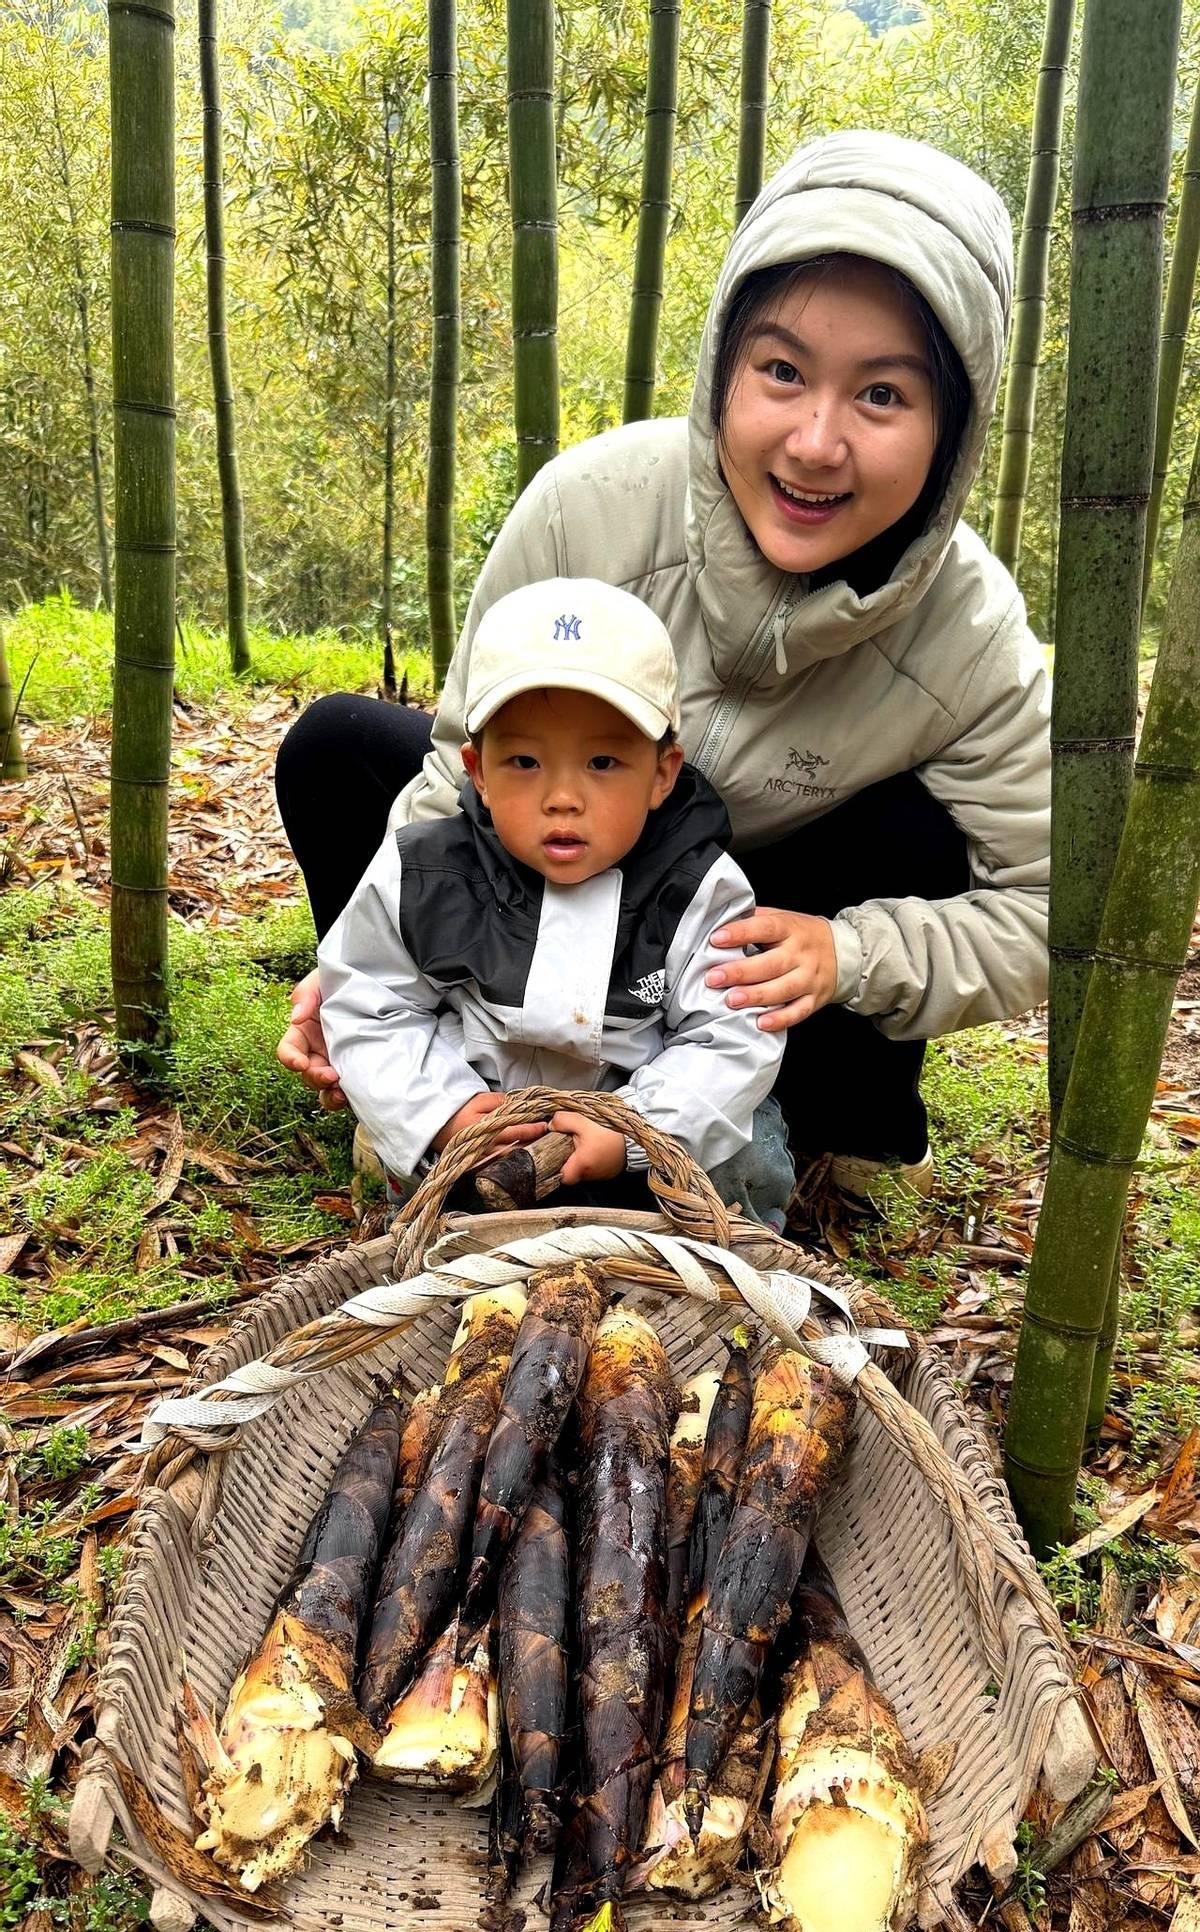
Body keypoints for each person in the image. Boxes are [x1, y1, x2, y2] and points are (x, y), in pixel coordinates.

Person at [277, 129, 1049, 1195]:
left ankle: (831, 1126)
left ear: (953, 430)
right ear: (724, 367)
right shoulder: (589, 507)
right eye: (782, 371)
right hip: (548, 849)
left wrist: (852, 955)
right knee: (339, 748)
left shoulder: (973, 637)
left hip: (751, 923)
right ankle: (434, 1072)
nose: (816, 443)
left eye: (883, 395)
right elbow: (462, 766)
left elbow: (1046, 908)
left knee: (917, 833)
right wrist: (356, 966)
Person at [317, 576, 788, 1216]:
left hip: (638, 1112)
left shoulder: (699, 889)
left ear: (662, 774)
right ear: (477, 771)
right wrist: (441, 1110)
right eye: (525, 763)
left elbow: (730, 1036)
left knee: (749, 1149)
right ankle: (439, 1217)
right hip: (489, 1112)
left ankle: (725, 1263)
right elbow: (372, 1003)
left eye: (602, 763)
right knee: (419, 1145)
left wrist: (637, 1130)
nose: (561, 797)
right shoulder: (425, 873)